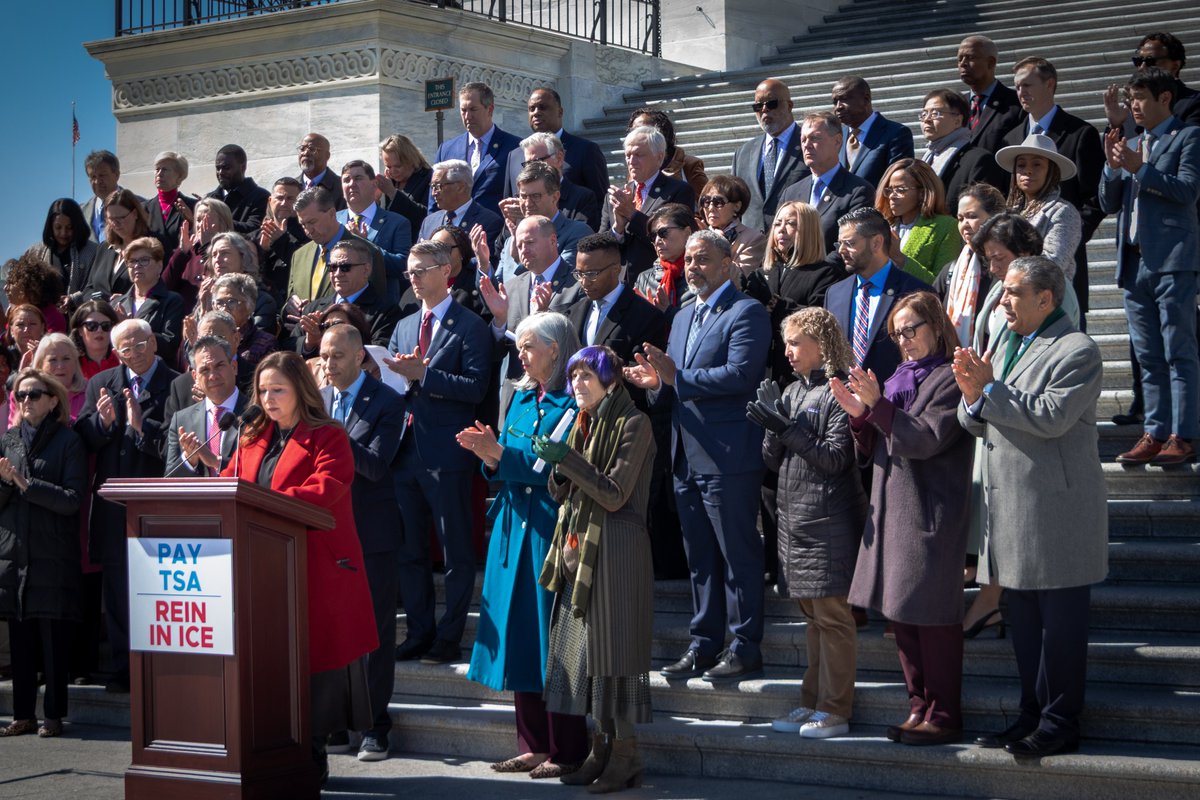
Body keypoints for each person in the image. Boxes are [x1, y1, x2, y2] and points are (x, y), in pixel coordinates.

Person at [954, 255, 1107, 758]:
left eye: (1014, 292)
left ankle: (1060, 722)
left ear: (1046, 298)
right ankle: (1029, 715)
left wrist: (988, 390)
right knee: (1024, 630)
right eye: (1003, 290)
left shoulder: (1077, 349)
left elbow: (1052, 416)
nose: (1003, 300)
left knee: (1059, 631)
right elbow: (972, 416)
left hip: (1055, 514)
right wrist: (975, 395)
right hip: (1009, 512)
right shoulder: (1003, 340)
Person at [221, 351, 377, 783]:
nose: (268, 399)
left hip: (316, 567)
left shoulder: (329, 435)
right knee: (273, 666)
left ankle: (312, 756)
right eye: (264, 391)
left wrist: (262, 505)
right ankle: (276, 755)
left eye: (278, 390)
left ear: (300, 392)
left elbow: (326, 488)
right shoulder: (251, 436)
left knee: (315, 670)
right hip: (263, 569)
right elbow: (231, 484)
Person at [625, 230, 771, 683]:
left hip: (728, 456)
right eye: (689, 260)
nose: (693, 268)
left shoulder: (747, 312)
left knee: (738, 555)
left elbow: (741, 375)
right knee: (701, 559)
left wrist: (678, 378)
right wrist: (657, 385)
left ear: (728, 263)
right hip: (686, 455)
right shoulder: (684, 315)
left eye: (704, 259)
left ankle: (745, 646)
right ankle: (704, 643)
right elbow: (675, 382)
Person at [832, 291, 973, 746]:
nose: (904, 340)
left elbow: (928, 438)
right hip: (892, 506)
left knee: (932, 615)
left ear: (936, 326)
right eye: (897, 333)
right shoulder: (898, 377)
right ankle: (919, 707)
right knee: (902, 616)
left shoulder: (950, 378)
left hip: (931, 510)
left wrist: (877, 407)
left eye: (912, 329)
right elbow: (876, 443)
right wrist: (859, 416)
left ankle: (945, 712)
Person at [457, 311, 588, 779]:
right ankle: (532, 744)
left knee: (551, 638)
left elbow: (546, 468)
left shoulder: (574, 403)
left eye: (530, 346)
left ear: (556, 349)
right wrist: (489, 459)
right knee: (519, 637)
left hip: (550, 529)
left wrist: (497, 455)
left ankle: (567, 747)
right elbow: (505, 463)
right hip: (512, 527)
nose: (521, 354)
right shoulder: (519, 396)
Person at [537, 344, 656, 791]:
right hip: (580, 550)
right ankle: (601, 748)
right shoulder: (583, 423)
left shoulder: (634, 423)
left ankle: (626, 754)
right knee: (589, 660)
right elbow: (563, 491)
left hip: (618, 551)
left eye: (587, 377)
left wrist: (566, 460)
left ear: (611, 382)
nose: (577, 386)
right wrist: (558, 465)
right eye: (573, 378)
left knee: (616, 658)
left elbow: (614, 493)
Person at [755, 307, 866, 739]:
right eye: (787, 343)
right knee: (814, 618)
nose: (789, 350)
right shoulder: (793, 390)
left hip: (829, 519)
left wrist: (785, 428)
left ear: (823, 345)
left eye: (797, 342)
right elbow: (772, 459)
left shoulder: (840, 389)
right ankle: (811, 701)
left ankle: (835, 709)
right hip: (796, 519)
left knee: (834, 618)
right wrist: (771, 425)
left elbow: (836, 459)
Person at [387, 241, 492, 665]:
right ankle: (419, 631)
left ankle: (450, 635)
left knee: (455, 549)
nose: (413, 278)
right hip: (405, 449)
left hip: (448, 449)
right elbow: (397, 385)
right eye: (409, 272)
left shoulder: (470, 326)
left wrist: (425, 374)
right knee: (410, 550)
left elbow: (475, 388)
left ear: (445, 269)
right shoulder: (404, 325)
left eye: (420, 270)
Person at [1099, 67, 1200, 466]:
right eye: (1130, 99)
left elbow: (1188, 191)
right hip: (1133, 261)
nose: (1134, 107)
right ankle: (1155, 432)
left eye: (1141, 98)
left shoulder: (1189, 136)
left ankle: (1184, 433)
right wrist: (1111, 165)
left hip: (1173, 260)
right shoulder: (1132, 141)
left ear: (1165, 99)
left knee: (1179, 350)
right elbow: (1108, 202)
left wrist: (1140, 168)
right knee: (1148, 355)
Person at [75, 318, 179, 693]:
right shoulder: (101, 383)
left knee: (156, 591)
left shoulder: (176, 383)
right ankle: (123, 669)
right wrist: (103, 425)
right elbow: (83, 437)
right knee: (117, 593)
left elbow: (175, 443)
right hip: (112, 506)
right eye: (124, 349)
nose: (132, 353)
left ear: (153, 343)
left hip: (156, 504)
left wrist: (139, 427)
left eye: (138, 345)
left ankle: (159, 666)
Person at [318, 324, 405, 763]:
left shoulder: (387, 402)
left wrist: (332, 434)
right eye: (323, 356)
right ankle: (335, 721)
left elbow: (376, 466)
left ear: (358, 358)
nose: (328, 365)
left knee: (375, 633)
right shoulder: (313, 402)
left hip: (371, 535)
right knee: (332, 629)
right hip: (324, 532)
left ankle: (375, 726)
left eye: (336, 356)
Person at [0, 369, 87, 739]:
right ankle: (22, 715)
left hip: (52, 553)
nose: (26, 402)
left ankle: (53, 715)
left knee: (52, 641)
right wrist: (6, 484)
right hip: (14, 551)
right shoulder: (8, 440)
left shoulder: (69, 442)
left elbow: (71, 500)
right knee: (20, 638)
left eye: (34, 395)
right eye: (20, 396)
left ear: (53, 401)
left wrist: (25, 484)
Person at [1001, 57, 1105, 318]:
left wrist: (1071, 232)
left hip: (1062, 262)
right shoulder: (1011, 136)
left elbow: (1093, 196)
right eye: (1017, 87)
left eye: (1027, 85)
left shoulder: (1080, 133)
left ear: (1050, 85)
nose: (1021, 93)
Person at [824, 207, 931, 383]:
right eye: (839, 244)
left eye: (849, 243)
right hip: (841, 402)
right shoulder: (835, 293)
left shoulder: (915, 293)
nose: (841, 251)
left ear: (876, 243)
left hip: (893, 401)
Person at [600, 126, 697, 278]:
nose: (631, 161)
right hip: (619, 284)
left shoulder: (678, 191)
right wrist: (617, 229)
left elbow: (675, 241)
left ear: (659, 157)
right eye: (628, 155)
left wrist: (632, 215)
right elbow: (601, 247)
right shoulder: (614, 196)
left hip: (658, 281)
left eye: (638, 155)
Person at [779, 112, 876, 256]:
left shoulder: (859, 191)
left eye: (814, 138)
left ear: (837, 141)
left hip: (833, 275)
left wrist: (818, 276)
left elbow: (851, 245)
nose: (807, 145)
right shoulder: (791, 193)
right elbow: (777, 239)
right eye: (803, 139)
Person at [284, 186, 386, 320]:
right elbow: (289, 298)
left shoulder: (367, 251)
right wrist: (289, 307)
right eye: (303, 225)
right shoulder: (299, 255)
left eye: (312, 222)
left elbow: (375, 308)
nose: (308, 231)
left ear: (332, 213)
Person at [503, 88, 609, 209]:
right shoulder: (515, 155)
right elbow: (509, 202)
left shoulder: (585, 150)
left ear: (560, 112)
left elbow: (601, 202)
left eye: (543, 107)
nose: (536, 113)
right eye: (531, 109)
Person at [290, 239, 401, 354]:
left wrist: (325, 341)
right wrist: (309, 343)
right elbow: (288, 345)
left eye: (345, 267)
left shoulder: (386, 312)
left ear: (366, 270)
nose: (337, 274)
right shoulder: (313, 309)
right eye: (332, 267)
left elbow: (377, 354)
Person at [932, 183, 1008, 349]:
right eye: (960, 218)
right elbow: (928, 312)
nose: (964, 224)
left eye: (972, 216)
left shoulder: (1009, 269)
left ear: (996, 218)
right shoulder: (952, 271)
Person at [995, 134, 1083, 274]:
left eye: (1037, 164)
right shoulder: (1007, 214)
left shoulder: (1064, 212)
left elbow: (1052, 264)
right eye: (1021, 165)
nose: (1028, 170)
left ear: (1051, 171)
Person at [493, 162, 592, 283]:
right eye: (523, 196)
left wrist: (519, 258)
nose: (528, 204)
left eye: (535, 196)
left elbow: (564, 280)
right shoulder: (512, 240)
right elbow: (498, 287)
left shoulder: (578, 232)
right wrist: (483, 266)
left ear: (555, 197)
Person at [433, 82, 523, 216]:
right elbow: (434, 199)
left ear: (490, 109)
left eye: (473, 109)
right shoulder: (447, 149)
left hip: (494, 231)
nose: (468, 116)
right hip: (452, 233)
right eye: (463, 110)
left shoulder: (514, 147)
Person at [732, 79, 810, 233]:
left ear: (789, 106)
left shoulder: (810, 144)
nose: (765, 110)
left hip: (797, 243)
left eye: (772, 103)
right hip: (753, 247)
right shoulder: (742, 153)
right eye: (758, 106)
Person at [164, 335, 247, 477]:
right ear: (195, 377)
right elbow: (169, 480)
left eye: (219, 366)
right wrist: (190, 460)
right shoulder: (182, 419)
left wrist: (216, 462)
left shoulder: (255, 413)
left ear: (234, 367)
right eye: (205, 370)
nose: (213, 376)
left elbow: (261, 473)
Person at [337, 159, 413, 304]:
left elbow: (403, 266)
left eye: (358, 178)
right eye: (346, 180)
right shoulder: (333, 220)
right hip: (336, 305)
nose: (352, 184)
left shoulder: (397, 223)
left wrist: (365, 245)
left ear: (374, 184)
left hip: (378, 307)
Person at [875, 159, 962, 285]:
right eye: (889, 190)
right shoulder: (882, 226)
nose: (892, 196)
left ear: (922, 193)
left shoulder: (946, 226)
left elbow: (942, 285)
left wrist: (900, 258)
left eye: (901, 189)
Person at [918, 89, 1007, 211]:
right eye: (924, 114)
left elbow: (983, 212)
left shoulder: (979, 160)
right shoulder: (926, 158)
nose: (927, 119)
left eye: (935, 114)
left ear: (957, 120)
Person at [832, 76, 915, 189]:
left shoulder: (896, 134)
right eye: (835, 101)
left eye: (844, 99)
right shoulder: (838, 135)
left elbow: (898, 182)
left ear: (866, 99)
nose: (838, 107)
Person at [511, 132, 601, 231]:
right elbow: (502, 245)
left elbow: (580, 239)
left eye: (537, 162)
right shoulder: (522, 199)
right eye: (528, 163)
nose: (533, 168)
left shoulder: (582, 198)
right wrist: (511, 223)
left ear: (559, 158)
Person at [115, 237, 185, 359]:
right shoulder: (116, 303)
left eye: (144, 260)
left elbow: (170, 344)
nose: (137, 265)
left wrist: (131, 326)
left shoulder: (172, 301)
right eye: (132, 261)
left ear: (159, 265)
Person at [80, 188, 155, 303]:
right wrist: (96, 298)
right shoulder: (104, 248)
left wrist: (125, 299)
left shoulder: (151, 247)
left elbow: (156, 287)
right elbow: (88, 289)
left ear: (135, 214)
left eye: (121, 218)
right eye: (111, 219)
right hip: (100, 315)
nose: (116, 224)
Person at [418, 159, 504, 257]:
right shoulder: (429, 222)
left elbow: (487, 263)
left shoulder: (488, 222)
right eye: (432, 187)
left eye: (438, 186)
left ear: (460, 187)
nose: (434, 193)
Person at [162, 197, 235, 314]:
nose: (201, 225)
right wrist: (181, 252)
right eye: (198, 220)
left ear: (223, 223)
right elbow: (164, 287)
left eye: (206, 219)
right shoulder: (188, 252)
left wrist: (207, 246)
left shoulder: (233, 251)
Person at [956, 35, 1023, 155]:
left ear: (991, 63)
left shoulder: (1017, 104)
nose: (963, 63)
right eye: (960, 59)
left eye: (970, 57)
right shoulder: (956, 105)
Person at [631, 204, 699, 314]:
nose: (657, 241)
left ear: (687, 233)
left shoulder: (703, 274)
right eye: (653, 236)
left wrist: (668, 312)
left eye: (663, 233)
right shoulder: (645, 278)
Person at [627, 107, 708, 198]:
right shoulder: (635, 165)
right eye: (633, 131)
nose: (635, 135)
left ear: (660, 134)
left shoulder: (689, 165)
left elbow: (705, 205)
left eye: (643, 130)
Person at [27, 198, 98, 296]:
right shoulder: (36, 252)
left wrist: (74, 299)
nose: (63, 233)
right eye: (58, 227)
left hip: (81, 310)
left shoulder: (93, 251)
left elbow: (96, 287)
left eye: (69, 227)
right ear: (50, 226)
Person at [699, 175, 767, 274]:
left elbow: (741, 277)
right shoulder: (697, 235)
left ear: (737, 206)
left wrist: (716, 246)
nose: (710, 208)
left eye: (718, 202)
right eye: (706, 201)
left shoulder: (754, 239)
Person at [377, 133, 433, 241]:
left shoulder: (428, 178)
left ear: (411, 160)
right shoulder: (389, 180)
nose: (393, 171)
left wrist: (393, 193)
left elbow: (426, 216)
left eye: (398, 166)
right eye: (388, 166)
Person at [205, 144, 270, 235]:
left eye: (226, 168)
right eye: (218, 168)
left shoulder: (261, 197)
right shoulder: (210, 198)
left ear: (243, 167)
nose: (220, 173)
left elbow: (255, 230)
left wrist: (218, 221)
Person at [144, 151, 196, 255]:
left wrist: (192, 220)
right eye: (157, 169)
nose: (159, 173)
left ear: (179, 177)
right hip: (152, 268)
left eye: (165, 169)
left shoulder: (193, 206)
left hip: (182, 266)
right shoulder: (143, 208)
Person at [30, 334, 88, 421]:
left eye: (66, 359)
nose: (60, 366)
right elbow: (15, 431)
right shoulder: (25, 395)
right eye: (53, 360)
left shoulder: (90, 391)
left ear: (75, 363)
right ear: (40, 365)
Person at [4, 254, 67, 334]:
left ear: (27, 286)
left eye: (10, 283)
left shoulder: (53, 317)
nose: (5, 288)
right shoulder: (15, 315)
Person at [81, 150, 129, 243]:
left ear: (116, 175)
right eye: (93, 177)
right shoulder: (81, 212)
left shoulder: (141, 205)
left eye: (102, 175)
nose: (98, 181)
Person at [70, 300, 120, 380]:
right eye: (92, 325)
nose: (99, 330)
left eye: (106, 325)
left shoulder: (123, 359)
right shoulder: (71, 363)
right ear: (80, 330)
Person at [296, 132, 346, 208]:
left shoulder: (341, 188)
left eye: (312, 149)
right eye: (302, 149)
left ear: (327, 156)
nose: (305, 153)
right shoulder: (292, 187)